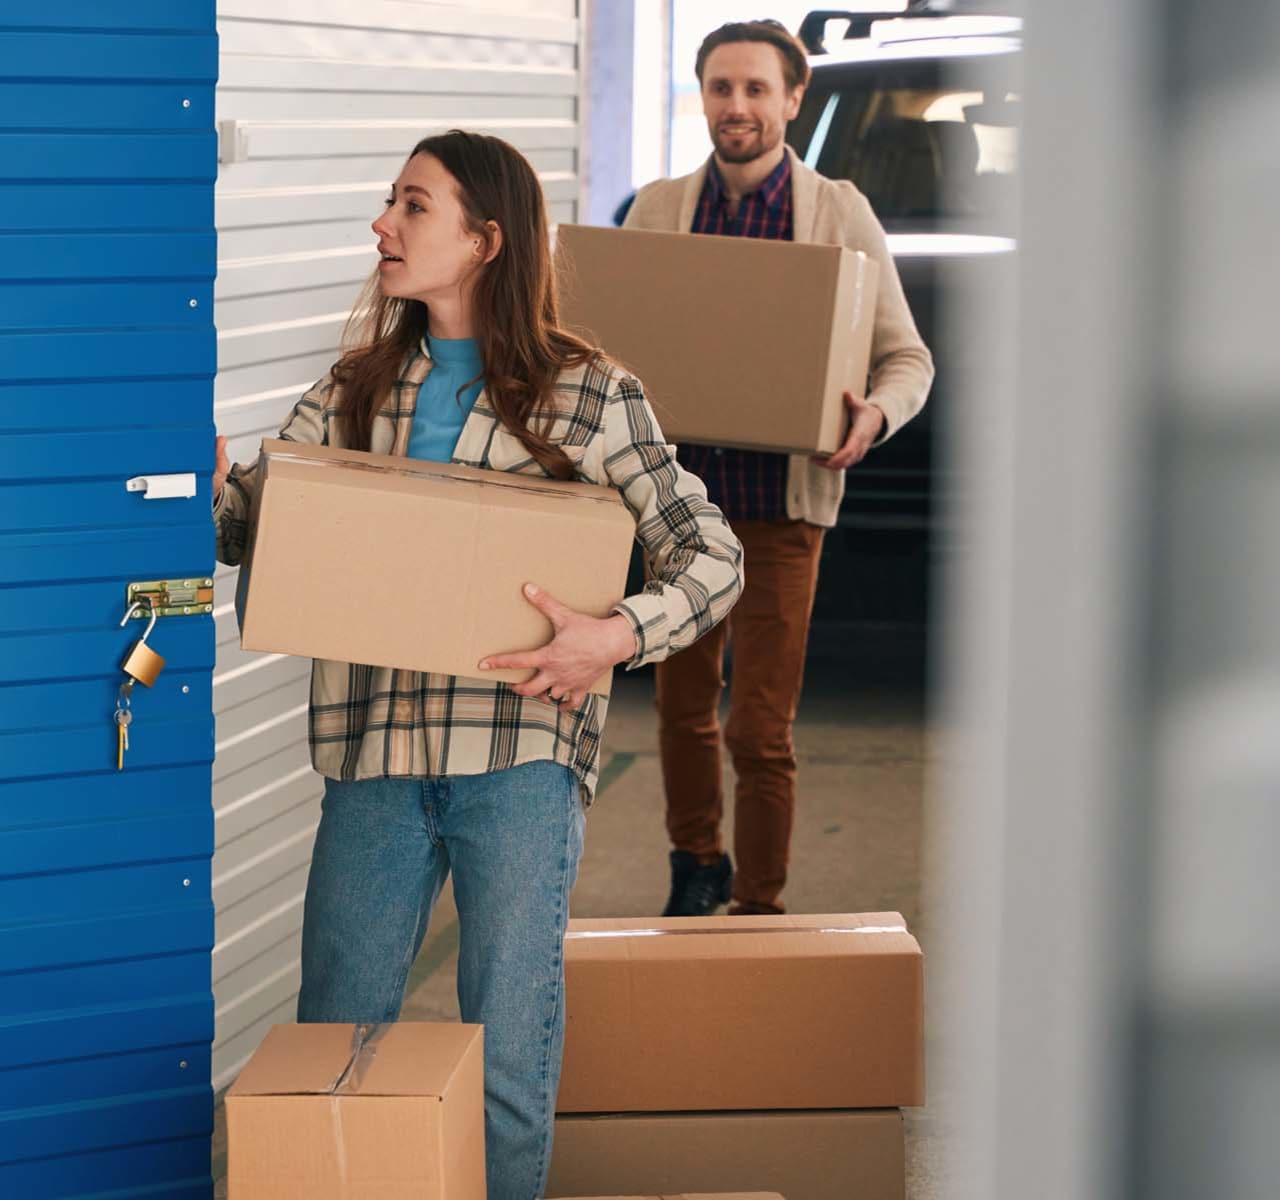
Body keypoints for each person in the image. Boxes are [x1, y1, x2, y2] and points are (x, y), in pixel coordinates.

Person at [211, 130, 742, 1200]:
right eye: (389, 203)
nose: (382, 225)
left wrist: (616, 633)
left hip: (516, 763)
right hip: (370, 759)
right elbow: (253, 530)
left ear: (485, 238)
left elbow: (712, 556)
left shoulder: (588, 395)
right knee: (334, 1048)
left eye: (411, 206)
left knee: (505, 1048)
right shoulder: (354, 390)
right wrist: (206, 480)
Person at [622, 20, 934, 917]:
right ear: (703, 96)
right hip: (679, 514)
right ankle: (697, 866)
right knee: (680, 714)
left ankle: (760, 906)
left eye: (757, 90)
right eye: (722, 88)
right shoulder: (659, 211)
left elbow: (906, 358)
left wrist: (875, 414)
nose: (738, 107)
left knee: (758, 729)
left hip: (782, 512)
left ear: (793, 100)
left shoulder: (839, 215)